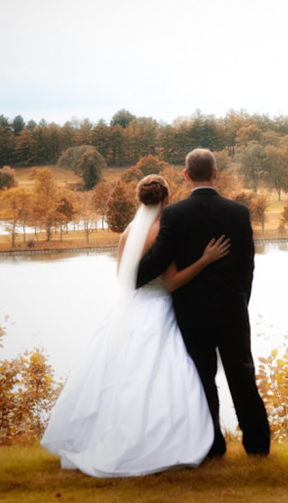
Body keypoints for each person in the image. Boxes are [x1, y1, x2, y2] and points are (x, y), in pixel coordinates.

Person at [41, 174, 226, 477]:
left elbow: (123, 280)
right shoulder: (165, 231)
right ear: (167, 199)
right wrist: (205, 259)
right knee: (166, 376)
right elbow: (173, 280)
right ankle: (160, 443)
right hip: (161, 310)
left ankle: (114, 435)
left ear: (140, 200)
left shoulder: (128, 231)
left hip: (130, 310)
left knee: (121, 376)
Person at [137, 148, 271, 458]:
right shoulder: (238, 212)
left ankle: (212, 446)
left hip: (191, 312)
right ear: (215, 173)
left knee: (202, 379)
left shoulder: (174, 214)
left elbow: (158, 260)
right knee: (242, 376)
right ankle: (257, 445)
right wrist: (241, 302)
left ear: (185, 176)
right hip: (231, 310)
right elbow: (247, 267)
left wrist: (134, 278)